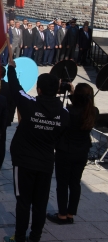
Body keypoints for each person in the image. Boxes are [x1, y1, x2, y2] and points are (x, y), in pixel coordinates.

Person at [3, 54, 69, 242]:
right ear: (57, 89)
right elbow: (61, 135)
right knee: (40, 204)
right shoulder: (64, 114)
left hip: (24, 161)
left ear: (38, 89)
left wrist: (12, 67)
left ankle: (19, 238)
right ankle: (35, 238)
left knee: (23, 202)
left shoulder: (29, 104)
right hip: (46, 163)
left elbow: (16, 88)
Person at [47, 83, 98, 225]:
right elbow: (82, 103)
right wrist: (74, 93)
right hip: (82, 151)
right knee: (75, 183)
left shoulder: (68, 111)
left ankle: (62, 214)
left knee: (62, 183)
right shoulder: (93, 111)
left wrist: (70, 93)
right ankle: (70, 213)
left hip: (66, 150)